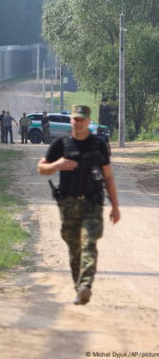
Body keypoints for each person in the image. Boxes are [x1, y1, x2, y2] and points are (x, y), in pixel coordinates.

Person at [37, 105, 121, 305]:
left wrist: (115, 207)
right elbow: (41, 168)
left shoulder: (98, 144)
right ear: (71, 121)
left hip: (93, 203)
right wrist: (57, 165)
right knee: (74, 249)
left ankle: (86, 285)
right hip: (68, 205)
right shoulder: (61, 144)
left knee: (89, 242)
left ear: (89, 120)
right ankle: (80, 288)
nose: (79, 122)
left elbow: (108, 176)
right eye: (76, 119)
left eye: (82, 119)